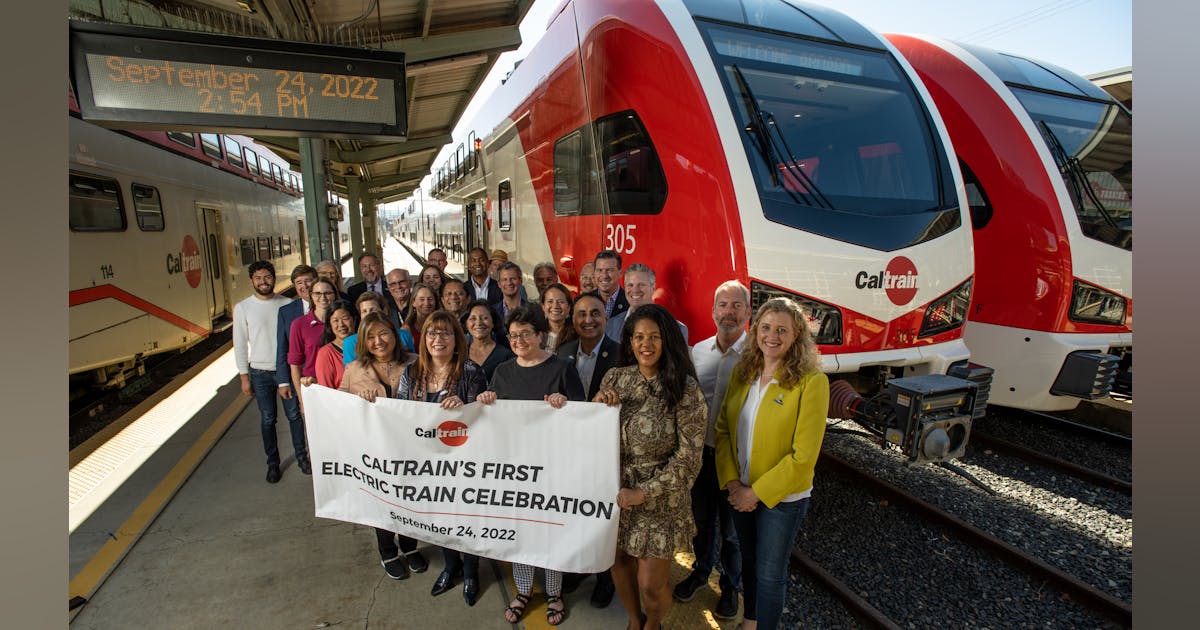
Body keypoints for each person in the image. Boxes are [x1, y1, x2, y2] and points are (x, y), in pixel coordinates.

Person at [715, 298, 829, 630]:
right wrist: (734, 483)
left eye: (782, 330)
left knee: (769, 575)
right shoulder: (744, 371)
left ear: (797, 337)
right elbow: (723, 430)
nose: (772, 337)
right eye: (765, 328)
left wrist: (756, 493)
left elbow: (803, 457)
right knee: (749, 562)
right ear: (756, 332)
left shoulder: (812, 381)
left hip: (782, 500)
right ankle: (750, 620)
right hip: (740, 490)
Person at [592, 304, 706, 630]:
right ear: (629, 342)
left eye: (654, 337)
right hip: (616, 492)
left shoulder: (685, 389)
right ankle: (633, 619)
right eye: (639, 337)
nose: (646, 344)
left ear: (666, 340)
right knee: (619, 561)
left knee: (650, 585)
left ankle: (654, 623)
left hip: (660, 499)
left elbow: (688, 459)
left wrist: (643, 493)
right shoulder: (615, 378)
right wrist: (597, 405)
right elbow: (590, 434)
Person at [482, 304, 585, 626]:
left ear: (540, 335)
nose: (519, 340)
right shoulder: (502, 372)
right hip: (515, 470)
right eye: (513, 336)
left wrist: (564, 406)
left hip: (553, 467)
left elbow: (584, 417)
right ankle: (524, 589)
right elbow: (494, 421)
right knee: (521, 531)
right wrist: (486, 402)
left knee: (550, 531)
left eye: (525, 334)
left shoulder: (562, 368)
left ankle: (555, 593)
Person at [396, 311, 488, 607]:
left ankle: (472, 572)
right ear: (424, 340)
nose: (438, 339)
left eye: (445, 333)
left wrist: (466, 406)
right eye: (432, 333)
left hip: (463, 462)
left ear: (456, 340)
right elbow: (398, 414)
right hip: (427, 463)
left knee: (465, 518)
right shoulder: (411, 374)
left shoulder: (471, 371)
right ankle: (451, 567)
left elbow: (484, 416)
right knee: (439, 519)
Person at [675, 281, 751, 620]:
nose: (729, 312)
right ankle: (702, 571)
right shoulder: (698, 352)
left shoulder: (757, 357)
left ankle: (731, 587)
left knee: (733, 532)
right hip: (702, 456)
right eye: (723, 305)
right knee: (702, 522)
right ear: (713, 312)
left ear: (747, 314)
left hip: (736, 462)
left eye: (737, 306)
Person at [340, 312, 430, 580]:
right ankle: (387, 551)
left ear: (395, 335)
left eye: (384, 333)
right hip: (375, 449)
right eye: (371, 336)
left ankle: (410, 547)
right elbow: (339, 405)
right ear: (363, 341)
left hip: (411, 448)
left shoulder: (417, 362)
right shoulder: (354, 369)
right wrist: (357, 398)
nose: (378, 341)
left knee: (411, 500)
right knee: (382, 501)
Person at [554, 292, 621, 607]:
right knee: (574, 511)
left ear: (605, 319)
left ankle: (606, 577)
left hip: (608, 452)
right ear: (573, 319)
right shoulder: (563, 352)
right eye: (581, 314)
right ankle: (580, 567)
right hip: (570, 450)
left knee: (605, 516)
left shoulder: (622, 355)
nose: (588, 320)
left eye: (595, 313)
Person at [233, 261, 308, 483]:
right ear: (251, 281)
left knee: (294, 416)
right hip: (260, 372)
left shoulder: (287, 304)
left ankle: (302, 457)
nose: (263, 282)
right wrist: (244, 376)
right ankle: (272, 463)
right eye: (258, 278)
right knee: (268, 419)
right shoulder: (243, 308)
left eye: (267, 277)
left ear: (274, 279)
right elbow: (239, 344)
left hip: (285, 370)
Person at [288, 277, 338, 413]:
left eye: (328, 293)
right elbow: (295, 365)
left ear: (335, 294)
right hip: (313, 387)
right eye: (317, 293)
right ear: (311, 296)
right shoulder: (299, 325)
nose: (323, 297)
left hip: (341, 387)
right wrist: (301, 399)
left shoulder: (344, 321)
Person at [606, 263, 688, 343]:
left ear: (653, 287)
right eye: (630, 285)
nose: (635, 290)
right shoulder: (609, 326)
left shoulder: (675, 329)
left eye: (641, 285)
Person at [276, 264, 318, 417]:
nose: (304, 286)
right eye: (299, 282)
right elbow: (282, 347)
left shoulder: (328, 306)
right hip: (298, 377)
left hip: (322, 376)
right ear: (294, 286)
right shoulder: (286, 312)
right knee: (296, 417)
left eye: (308, 281)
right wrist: (283, 381)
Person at [344, 292, 416, 364]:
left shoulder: (404, 336)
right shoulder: (350, 342)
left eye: (372, 310)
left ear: (385, 311)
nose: (369, 314)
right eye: (364, 311)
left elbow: (411, 363)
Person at [464, 300, 515, 382]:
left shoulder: (506, 356)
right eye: (473, 318)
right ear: (466, 324)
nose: (479, 323)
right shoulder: (459, 354)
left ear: (493, 322)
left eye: (485, 318)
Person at [313, 299, 358, 389]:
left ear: (354, 320)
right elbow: (326, 391)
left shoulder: (368, 344)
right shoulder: (326, 353)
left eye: (345, 318)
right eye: (335, 321)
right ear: (330, 324)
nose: (341, 324)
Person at [587, 250, 629, 320]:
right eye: (600, 270)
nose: (604, 276)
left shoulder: (630, 303)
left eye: (609, 270)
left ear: (620, 273)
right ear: (594, 273)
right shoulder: (584, 301)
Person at [540, 282, 574, 353]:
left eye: (561, 302)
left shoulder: (577, 334)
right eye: (550, 301)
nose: (555, 306)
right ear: (543, 307)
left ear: (569, 307)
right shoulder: (536, 332)